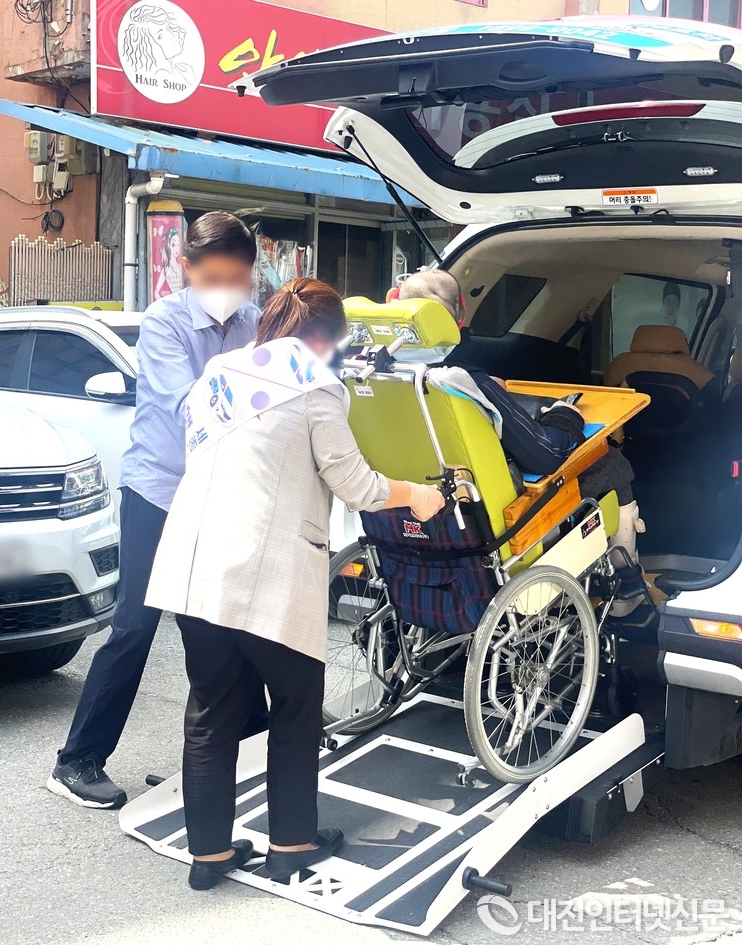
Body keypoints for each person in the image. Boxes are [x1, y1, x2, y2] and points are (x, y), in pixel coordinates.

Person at [144, 278, 445, 891]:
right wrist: (418, 495)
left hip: (195, 567)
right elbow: (355, 484)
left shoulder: (221, 371)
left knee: (211, 710)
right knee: (296, 707)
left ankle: (209, 855)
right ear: (326, 338)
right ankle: (290, 845)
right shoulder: (315, 383)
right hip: (264, 571)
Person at [48, 212, 266, 809]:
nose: (227, 289)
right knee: (135, 627)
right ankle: (77, 760)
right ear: (187, 268)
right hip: (160, 492)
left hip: (222, 493)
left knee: (222, 627)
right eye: (214, 277)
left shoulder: (255, 323)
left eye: (238, 278)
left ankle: (240, 747)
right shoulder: (165, 322)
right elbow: (187, 405)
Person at [396, 270, 645, 609]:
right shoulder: (463, 383)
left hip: (407, 516)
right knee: (613, 462)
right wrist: (564, 415)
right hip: (496, 518)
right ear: (461, 313)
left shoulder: (367, 375)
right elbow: (545, 455)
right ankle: (627, 584)